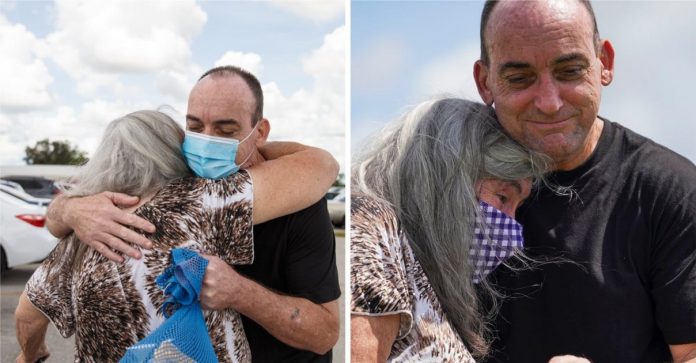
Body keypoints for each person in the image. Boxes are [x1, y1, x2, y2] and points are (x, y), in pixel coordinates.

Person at [44, 66, 341, 362]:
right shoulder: (180, 180)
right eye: (195, 128)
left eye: (226, 131)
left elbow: (324, 334)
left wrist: (240, 293)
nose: (207, 142)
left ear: (259, 132)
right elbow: (56, 216)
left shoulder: (299, 203)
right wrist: (72, 209)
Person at [472, 1, 696, 362]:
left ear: (604, 63)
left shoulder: (671, 192)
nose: (548, 102)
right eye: (519, 78)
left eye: (569, 70)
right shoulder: (447, 188)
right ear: (486, 82)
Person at [350, 98, 550, 362]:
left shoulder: (424, 267)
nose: (514, 238)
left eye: (517, 207)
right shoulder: (372, 228)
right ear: (448, 178)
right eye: (503, 197)